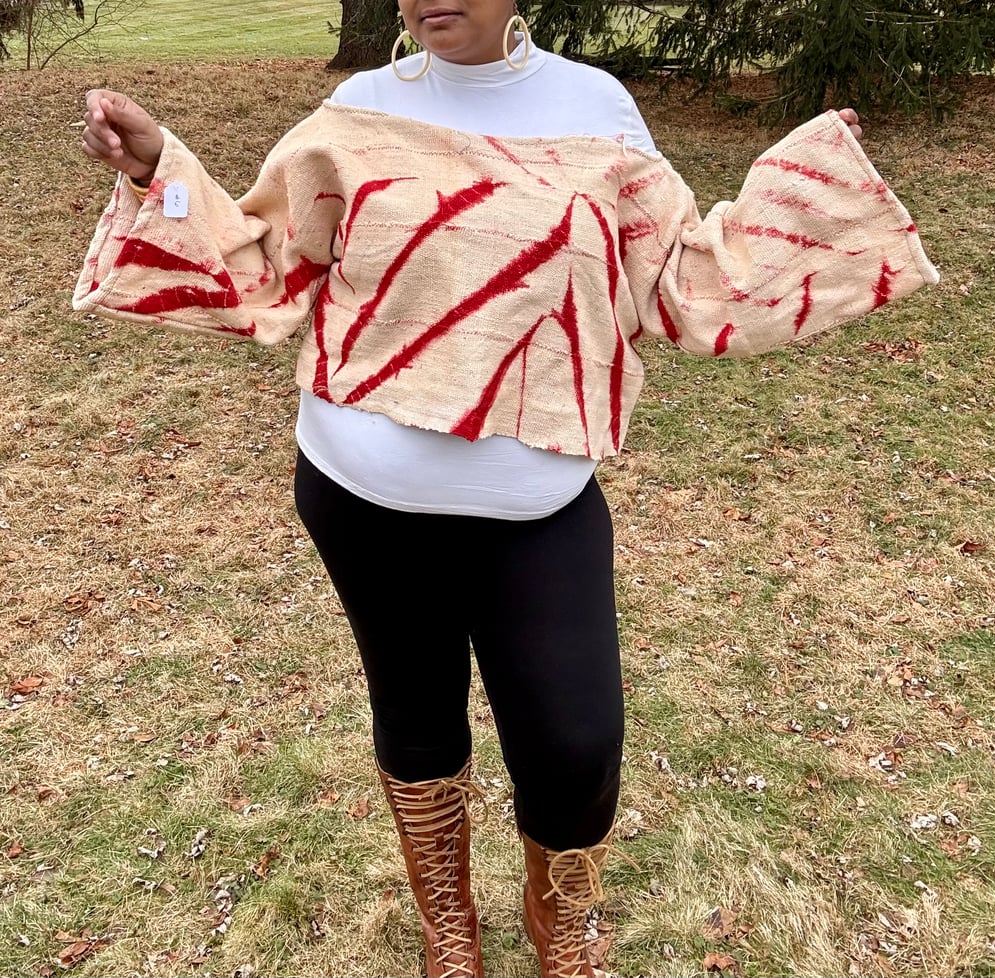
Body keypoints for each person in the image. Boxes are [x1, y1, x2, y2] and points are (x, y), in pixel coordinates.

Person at [74, 2, 938, 975]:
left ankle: (555, 923)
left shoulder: (596, 109)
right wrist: (158, 169)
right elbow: (264, 265)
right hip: (361, 498)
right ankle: (449, 924)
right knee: (415, 716)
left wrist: (809, 188)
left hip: (533, 511)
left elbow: (681, 280)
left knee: (575, 744)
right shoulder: (358, 112)